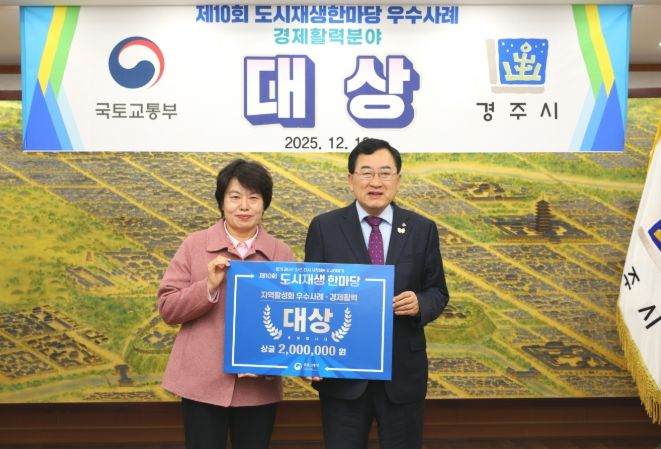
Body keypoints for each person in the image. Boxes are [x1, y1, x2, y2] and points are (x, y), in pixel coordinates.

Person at [304, 138, 449, 449]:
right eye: (366, 172)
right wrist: (310, 355)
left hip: (402, 374)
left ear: (398, 179)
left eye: (385, 173)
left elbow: (438, 291)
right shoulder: (324, 228)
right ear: (350, 179)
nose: (375, 182)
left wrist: (420, 303)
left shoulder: (422, 229)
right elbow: (311, 296)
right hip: (342, 375)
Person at [157, 159, 294, 449]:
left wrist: (270, 365)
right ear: (221, 202)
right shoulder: (195, 245)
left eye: (253, 198)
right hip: (201, 383)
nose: (244, 206)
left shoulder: (281, 253)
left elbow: (291, 320)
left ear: (264, 204)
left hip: (259, 387)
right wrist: (207, 287)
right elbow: (168, 308)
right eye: (235, 197)